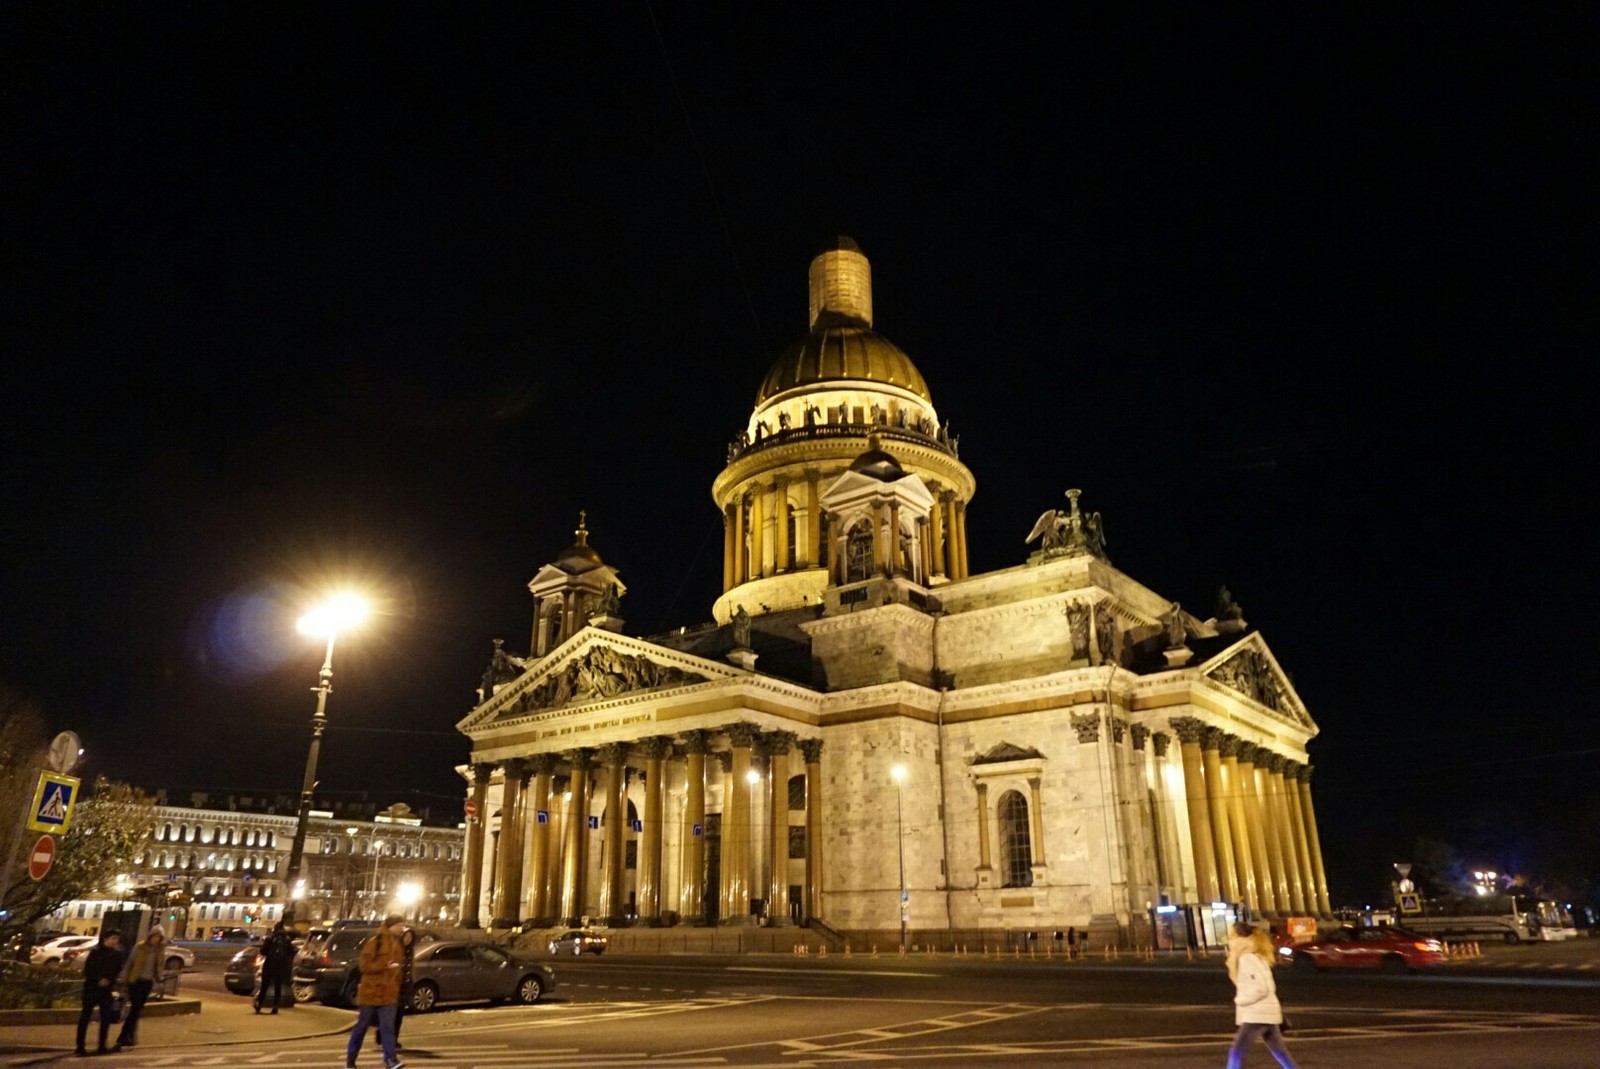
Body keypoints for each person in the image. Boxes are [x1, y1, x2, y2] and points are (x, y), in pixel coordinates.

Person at [1225, 921, 1298, 1069]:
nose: (1229, 939)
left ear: (1241, 937)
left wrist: (1240, 1000)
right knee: (1280, 1053)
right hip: (1267, 1012)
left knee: (1236, 1051)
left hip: (1257, 1014)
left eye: (1232, 935)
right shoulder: (1258, 956)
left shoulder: (1247, 958)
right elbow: (1269, 986)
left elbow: (1261, 988)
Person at [345, 914, 406, 1069]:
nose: (401, 929)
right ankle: (351, 1058)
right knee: (362, 1027)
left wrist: (398, 984)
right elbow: (364, 966)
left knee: (388, 1027)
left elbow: (399, 969)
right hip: (371, 992)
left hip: (389, 994)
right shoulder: (375, 942)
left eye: (402, 926)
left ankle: (390, 1059)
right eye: (399, 925)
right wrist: (385, 966)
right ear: (391, 926)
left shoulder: (398, 945)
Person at [75, 930, 126, 1057]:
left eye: (117, 938)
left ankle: (102, 1045)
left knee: (106, 1018)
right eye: (113, 938)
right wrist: (98, 979)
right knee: (85, 1017)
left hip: (106, 990)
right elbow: (89, 969)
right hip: (92, 988)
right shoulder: (95, 952)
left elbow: (117, 969)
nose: (116, 941)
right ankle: (80, 1046)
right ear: (106, 939)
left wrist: (109, 979)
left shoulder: (117, 954)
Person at [114, 926, 167, 1049]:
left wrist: (159, 980)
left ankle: (129, 1036)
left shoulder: (160, 950)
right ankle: (124, 1036)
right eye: (154, 936)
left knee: (136, 1010)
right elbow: (130, 963)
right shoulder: (140, 947)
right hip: (136, 981)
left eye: (158, 937)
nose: (156, 939)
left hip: (147, 982)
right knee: (135, 1008)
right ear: (150, 936)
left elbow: (159, 965)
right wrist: (124, 978)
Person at [256, 921, 296, 1014]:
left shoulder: (270, 938)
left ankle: (259, 1004)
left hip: (269, 964)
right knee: (278, 986)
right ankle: (275, 1006)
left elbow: (263, 951)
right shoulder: (286, 939)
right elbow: (291, 952)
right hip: (280, 965)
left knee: (265, 985)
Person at [392, 926, 416, 1048]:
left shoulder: (410, 950)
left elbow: (410, 967)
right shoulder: (396, 948)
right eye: (406, 936)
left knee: (399, 1015)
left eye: (410, 937)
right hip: (394, 986)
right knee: (392, 1014)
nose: (408, 939)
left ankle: (394, 1039)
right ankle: (386, 1037)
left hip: (404, 986)